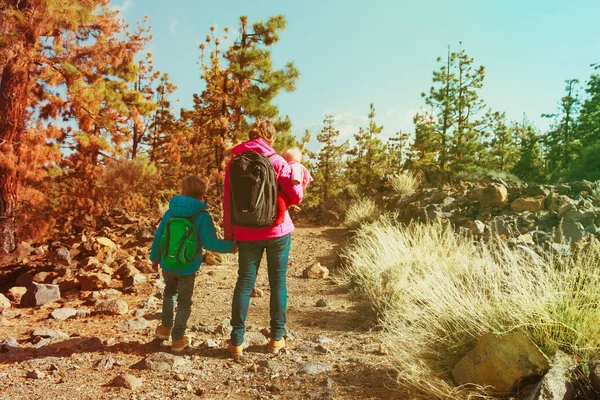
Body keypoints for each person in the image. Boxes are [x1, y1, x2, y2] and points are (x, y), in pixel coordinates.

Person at [223, 120, 303, 358]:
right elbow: (296, 196)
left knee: (245, 283)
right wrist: (295, 165)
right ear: (272, 138)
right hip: (278, 232)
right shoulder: (277, 162)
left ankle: (236, 341)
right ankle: (276, 338)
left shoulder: (234, 164)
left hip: (246, 232)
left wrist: (231, 235)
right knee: (277, 282)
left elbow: (228, 203)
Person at [151, 175, 235, 352]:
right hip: (187, 267)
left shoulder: (170, 211)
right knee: (183, 301)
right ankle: (178, 338)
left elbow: (159, 237)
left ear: (183, 191)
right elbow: (210, 243)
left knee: (168, 293)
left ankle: (165, 328)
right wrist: (231, 247)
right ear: (203, 194)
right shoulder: (202, 216)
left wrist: (155, 258)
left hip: (167, 263)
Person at [274, 147, 313, 225]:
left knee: (280, 199)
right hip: (295, 191)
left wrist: (295, 180)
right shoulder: (300, 166)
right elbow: (308, 177)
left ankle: (281, 217)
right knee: (284, 203)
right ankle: (281, 215)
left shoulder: (294, 166)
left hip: (291, 189)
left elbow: (296, 174)